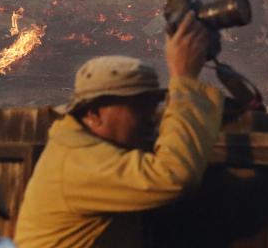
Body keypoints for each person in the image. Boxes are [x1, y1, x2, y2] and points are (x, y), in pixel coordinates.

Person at [13, 13, 223, 248]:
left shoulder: (84, 146)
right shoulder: (79, 159)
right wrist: (184, 79)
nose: (151, 117)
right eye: (138, 108)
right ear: (93, 113)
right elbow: (173, 176)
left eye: (152, 106)